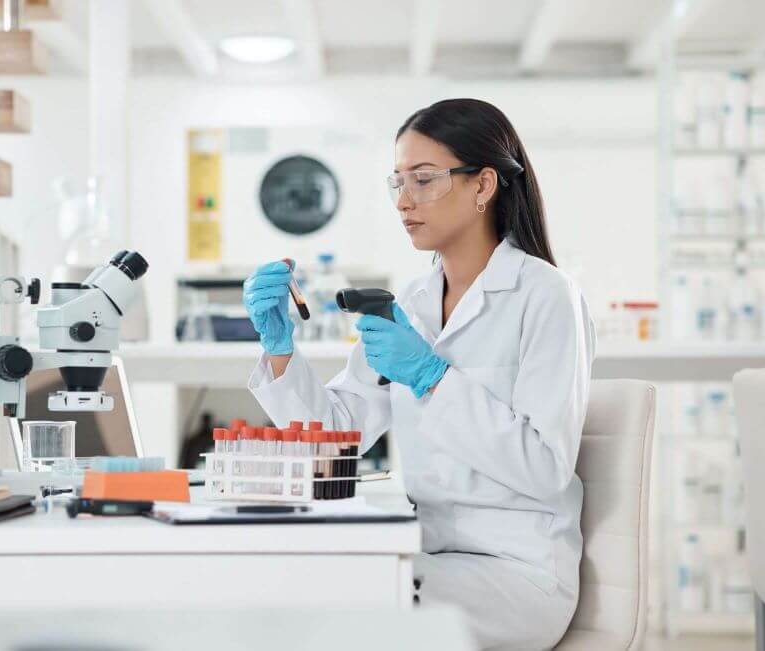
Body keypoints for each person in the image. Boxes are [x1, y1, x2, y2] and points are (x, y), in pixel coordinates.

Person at [243, 98, 596, 650]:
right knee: (299, 586)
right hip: (428, 554)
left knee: (346, 613)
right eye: (398, 182)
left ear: (483, 186)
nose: (404, 201)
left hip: (518, 573)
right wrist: (281, 348)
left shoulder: (546, 296)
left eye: (424, 180)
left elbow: (545, 467)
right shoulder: (410, 301)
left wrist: (433, 378)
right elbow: (337, 439)